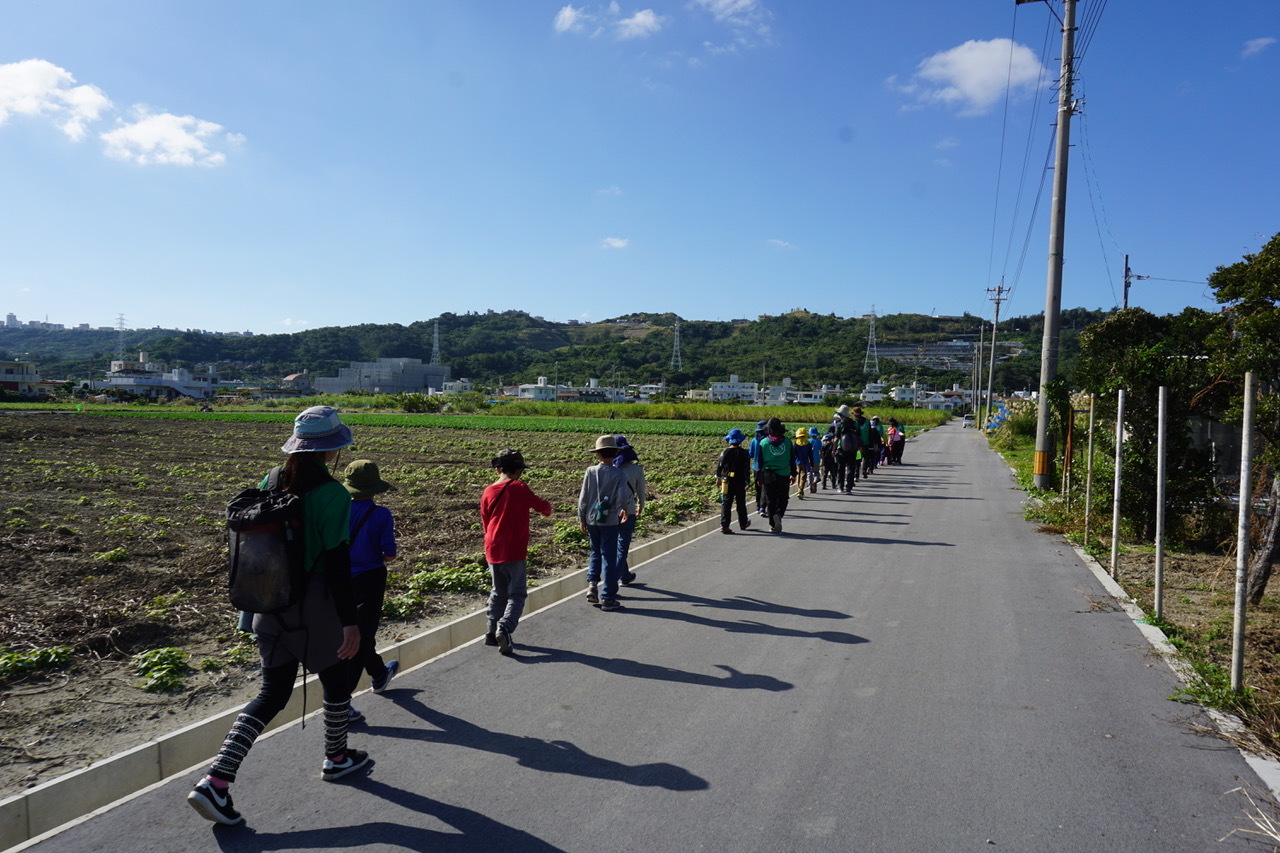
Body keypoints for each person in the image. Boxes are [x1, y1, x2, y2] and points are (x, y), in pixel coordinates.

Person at [188, 406, 367, 827]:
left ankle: (216, 780)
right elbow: (338, 565)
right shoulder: (333, 495)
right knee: (338, 678)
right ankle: (337, 757)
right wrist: (350, 622)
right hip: (314, 606)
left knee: (272, 694)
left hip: (268, 604)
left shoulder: (271, 478)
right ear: (333, 448)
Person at [341, 459, 399, 724]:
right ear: (374, 488)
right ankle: (341, 701)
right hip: (370, 578)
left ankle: (378, 673)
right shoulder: (381, 515)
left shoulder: (338, 511)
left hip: (338, 579)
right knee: (361, 637)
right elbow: (389, 555)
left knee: (350, 631)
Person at [480, 448, 553, 655]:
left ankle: (490, 632)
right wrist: (548, 507)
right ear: (519, 470)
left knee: (498, 592)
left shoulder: (487, 491)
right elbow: (544, 509)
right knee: (517, 593)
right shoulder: (520, 488)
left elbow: (485, 522)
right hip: (513, 549)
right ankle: (505, 627)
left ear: (497, 470)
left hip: (492, 548)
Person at [578, 435, 631, 611]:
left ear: (598, 455)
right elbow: (623, 498)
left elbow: (583, 497)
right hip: (609, 520)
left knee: (595, 552)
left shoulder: (590, 471)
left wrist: (581, 517)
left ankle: (592, 585)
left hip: (592, 518)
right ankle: (607, 596)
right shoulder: (619, 474)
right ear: (615, 453)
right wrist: (622, 508)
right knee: (609, 556)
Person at [613, 436, 647, 586]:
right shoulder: (636, 469)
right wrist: (641, 505)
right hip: (629, 511)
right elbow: (641, 491)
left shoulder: (609, 469)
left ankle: (625, 575)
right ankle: (613, 580)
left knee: (613, 547)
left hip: (610, 513)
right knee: (622, 547)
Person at [757, 417, 797, 533]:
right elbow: (792, 460)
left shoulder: (763, 442)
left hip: (768, 474)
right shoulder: (787, 442)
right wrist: (793, 474)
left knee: (770, 500)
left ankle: (773, 524)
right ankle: (779, 514)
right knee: (783, 498)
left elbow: (759, 462)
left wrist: (759, 477)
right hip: (783, 474)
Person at [716, 428, 752, 533]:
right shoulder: (744, 453)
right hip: (740, 480)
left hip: (726, 480)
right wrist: (747, 482)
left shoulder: (725, 452)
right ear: (740, 441)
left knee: (727, 503)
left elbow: (720, 466)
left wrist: (718, 478)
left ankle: (724, 525)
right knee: (741, 502)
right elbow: (746, 469)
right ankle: (743, 523)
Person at [833, 405, 862, 494]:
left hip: (842, 449)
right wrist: (859, 448)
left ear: (841, 414)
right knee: (851, 468)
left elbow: (836, 438)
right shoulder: (855, 423)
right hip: (853, 449)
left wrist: (833, 450)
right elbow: (859, 436)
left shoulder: (840, 424)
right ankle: (848, 488)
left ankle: (840, 487)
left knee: (840, 468)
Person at [747, 419, 769, 519]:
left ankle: (757, 505)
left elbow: (751, 454)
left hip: (756, 467)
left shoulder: (754, 440)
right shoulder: (767, 441)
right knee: (765, 487)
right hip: (765, 467)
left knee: (758, 487)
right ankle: (762, 507)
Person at [792, 427, 814, 501]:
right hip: (805, 462)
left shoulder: (795, 443)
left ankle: (799, 490)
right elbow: (810, 455)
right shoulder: (808, 443)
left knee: (798, 476)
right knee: (803, 477)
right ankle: (800, 490)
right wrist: (812, 463)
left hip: (798, 462)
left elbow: (793, 454)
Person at [806, 427, 823, 493]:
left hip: (809, 459)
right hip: (816, 459)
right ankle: (815, 480)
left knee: (809, 473)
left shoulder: (808, 441)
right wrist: (822, 459)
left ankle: (810, 486)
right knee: (816, 472)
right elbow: (821, 451)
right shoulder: (819, 441)